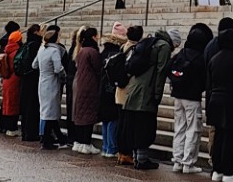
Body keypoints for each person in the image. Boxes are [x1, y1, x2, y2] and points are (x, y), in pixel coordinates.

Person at [122, 25, 173, 170]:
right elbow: (161, 72)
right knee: (145, 126)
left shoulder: (148, 42)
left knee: (135, 125)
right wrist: (157, 95)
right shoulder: (163, 47)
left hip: (134, 88)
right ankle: (142, 159)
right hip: (146, 90)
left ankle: (137, 157)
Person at [205, 27, 233, 182]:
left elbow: (209, 84)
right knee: (230, 136)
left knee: (219, 136)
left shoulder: (214, 59)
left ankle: (217, 169)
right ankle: (228, 170)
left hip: (215, 99)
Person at [167, 23, 212, 174]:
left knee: (180, 128)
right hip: (192, 98)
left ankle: (177, 161)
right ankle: (188, 162)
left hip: (178, 95)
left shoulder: (181, 54)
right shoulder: (200, 58)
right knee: (193, 129)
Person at [34, 25, 71, 150]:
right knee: (50, 111)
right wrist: (64, 76)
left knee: (46, 110)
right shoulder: (55, 50)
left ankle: (58, 137)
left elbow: (34, 65)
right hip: (52, 82)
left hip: (42, 81)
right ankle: (46, 139)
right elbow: (58, 68)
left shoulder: (41, 49)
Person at [69, 27, 103, 153]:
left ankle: (79, 141)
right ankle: (86, 142)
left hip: (80, 84)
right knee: (88, 114)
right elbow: (97, 68)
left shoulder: (81, 50)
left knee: (79, 113)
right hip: (90, 86)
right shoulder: (92, 51)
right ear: (93, 36)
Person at [98, 24, 129, 160]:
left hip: (103, 88)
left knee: (106, 119)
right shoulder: (118, 53)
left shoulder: (104, 52)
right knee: (113, 118)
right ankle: (111, 147)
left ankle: (106, 146)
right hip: (112, 89)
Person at [17, 24, 44, 142]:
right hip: (34, 78)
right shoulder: (37, 45)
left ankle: (25, 132)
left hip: (25, 78)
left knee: (26, 106)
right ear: (36, 32)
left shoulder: (26, 44)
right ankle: (31, 133)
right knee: (33, 106)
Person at [0, 27, 24, 135]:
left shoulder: (7, 49)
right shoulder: (16, 51)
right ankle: (11, 128)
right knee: (13, 105)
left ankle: (5, 126)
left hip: (6, 79)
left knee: (6, 104)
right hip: (14, 79)